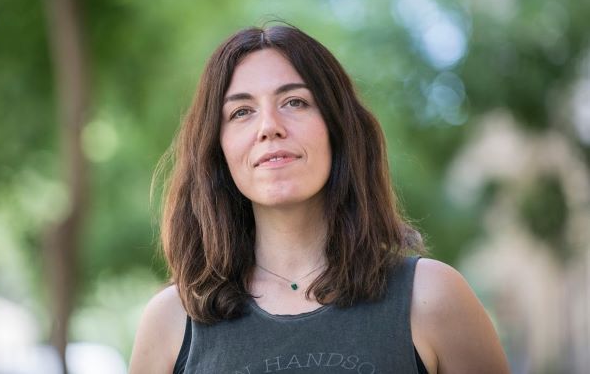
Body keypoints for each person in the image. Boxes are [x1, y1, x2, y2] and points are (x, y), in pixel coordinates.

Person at [129, 24, 510, 374]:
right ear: (218, 149)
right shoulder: (171, 321)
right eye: (241, 111)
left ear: (337, 128)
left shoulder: (431, 296)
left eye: (294, 102)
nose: (269, 127)